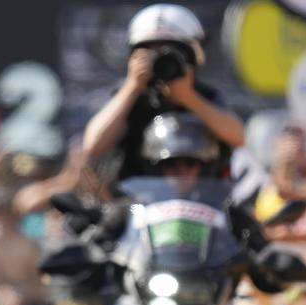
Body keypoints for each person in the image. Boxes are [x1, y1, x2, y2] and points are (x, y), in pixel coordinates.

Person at [82, 3, 245, 182]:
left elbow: (238, 137)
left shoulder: (206, 97)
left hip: (205, 196)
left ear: (194, 56)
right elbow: (93, 145)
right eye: (151, 52)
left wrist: (188, 98)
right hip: (137, 197)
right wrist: (133, 86)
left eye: (172, 52)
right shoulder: (131, 100)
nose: (162, 60)